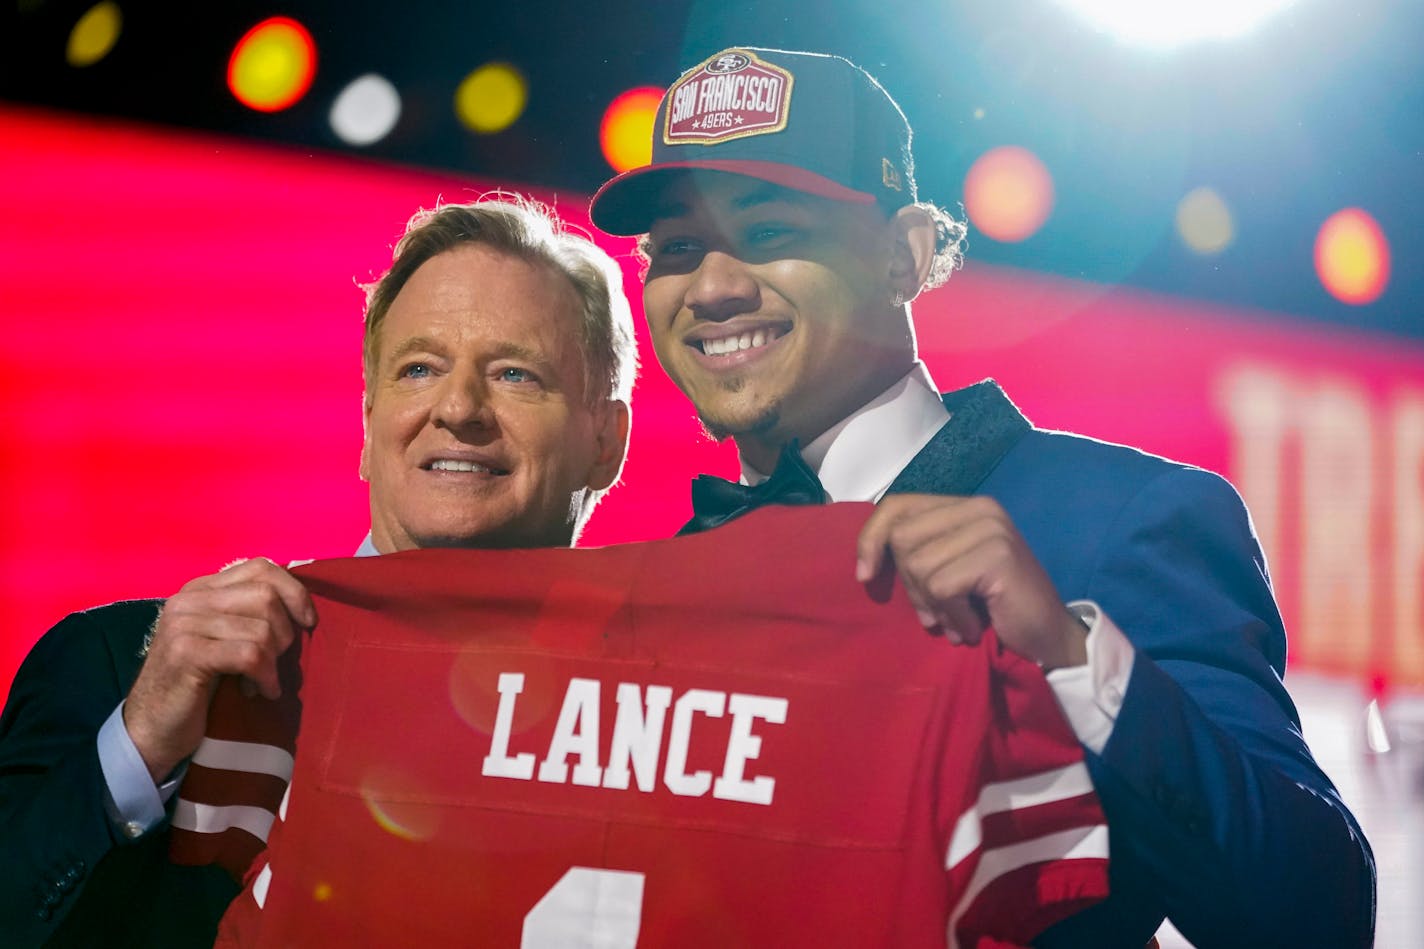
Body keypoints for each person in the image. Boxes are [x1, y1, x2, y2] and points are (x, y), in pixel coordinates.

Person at [589, 46, 1375, 946]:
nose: (716, 288)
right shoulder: (658, 589)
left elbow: (1321, 913)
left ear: (903, 256)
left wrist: (1070, 655)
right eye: (680, 249)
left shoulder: (1127, 521)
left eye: (772, 233)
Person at [0, 194, 637, 948]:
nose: (458, 406)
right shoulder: (120, 664)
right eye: (421, 367)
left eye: (515, 374)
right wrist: (140, 743)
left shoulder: (658, 725)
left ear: (608, 441)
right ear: (369, 426)